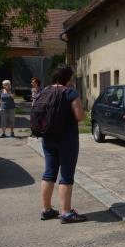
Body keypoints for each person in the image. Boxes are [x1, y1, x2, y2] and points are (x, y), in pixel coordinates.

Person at [40, 64, 87, 223]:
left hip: (47, 137)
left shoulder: (45, 91)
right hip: (67, 139)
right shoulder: (70, 92)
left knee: (49, 173)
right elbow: (80, 117)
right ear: (68, 78)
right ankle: (66, 212)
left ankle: (46, 210)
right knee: (66, 175)